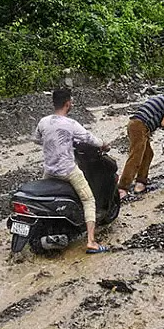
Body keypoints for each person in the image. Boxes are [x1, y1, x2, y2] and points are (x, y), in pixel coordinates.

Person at [32, 88, 110, 254]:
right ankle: (91, 241)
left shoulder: (43, 122)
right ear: (67, 104)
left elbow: (36, 139)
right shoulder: (71, 124)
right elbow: (89, 138)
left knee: (43, 200)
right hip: (68, 170)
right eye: (71, 102)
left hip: (49, 170)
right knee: (88, 200)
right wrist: (103, 144)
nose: (72, 104)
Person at [119, 89, 164, 195]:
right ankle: (122, 188)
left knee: (148, 154)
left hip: (137, 124)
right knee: (136, 156)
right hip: (139, 126)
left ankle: (141, 182)